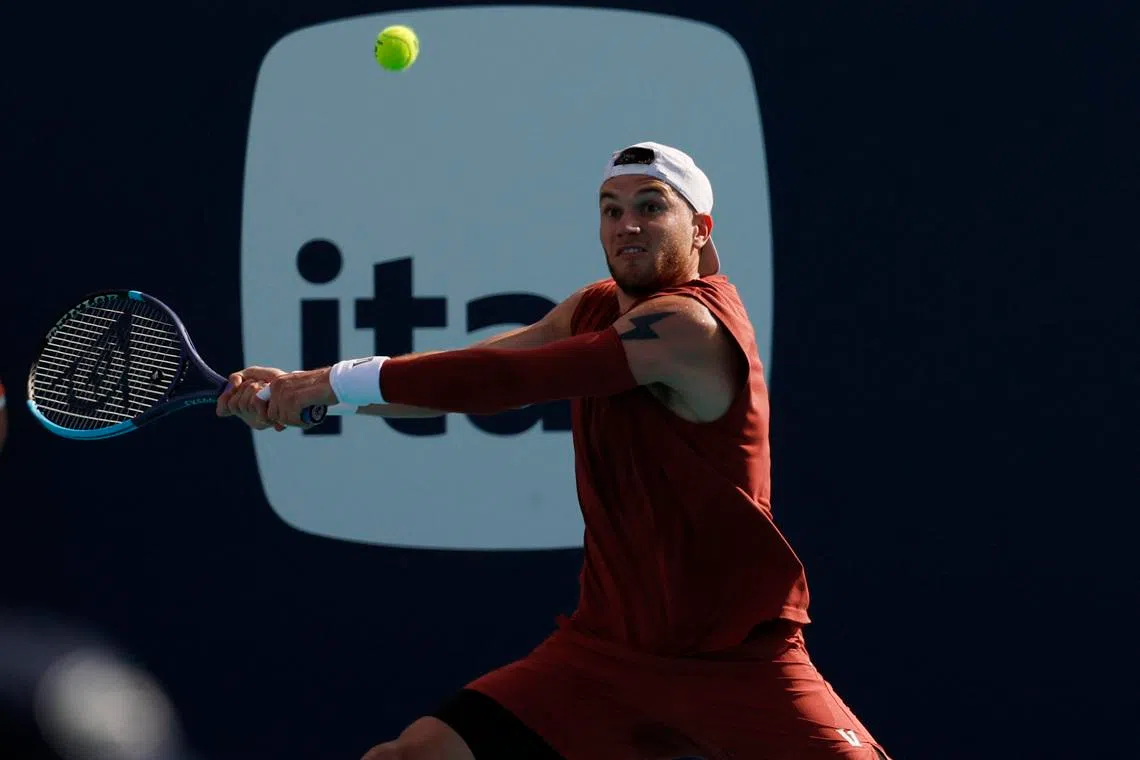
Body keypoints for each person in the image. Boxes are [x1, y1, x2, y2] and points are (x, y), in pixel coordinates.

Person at [218, 142, 892, 759]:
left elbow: (506, 382)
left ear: (701, 231)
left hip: (739, 661)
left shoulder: (688, 325)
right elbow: (465, 372)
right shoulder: (593, 307)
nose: (627, 224)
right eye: (611, 209)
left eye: (651, 207)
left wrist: (330, 383)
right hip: (603, 657)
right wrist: (311, 394)